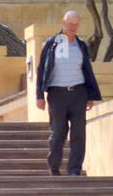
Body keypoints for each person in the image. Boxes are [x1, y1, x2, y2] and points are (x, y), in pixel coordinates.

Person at [36, 11, 103, 176]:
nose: (73, 27)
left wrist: (89, 95)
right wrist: (39, 95)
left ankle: (74, 170)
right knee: (58, 132)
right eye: (70, 24)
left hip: (78, 93)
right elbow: (41, 69)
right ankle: (54, 168)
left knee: (79, 133)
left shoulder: (81, 45)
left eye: (76, 25)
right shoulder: (51, 44)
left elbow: (87, 70)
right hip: (57, 94)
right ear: (63, 23)